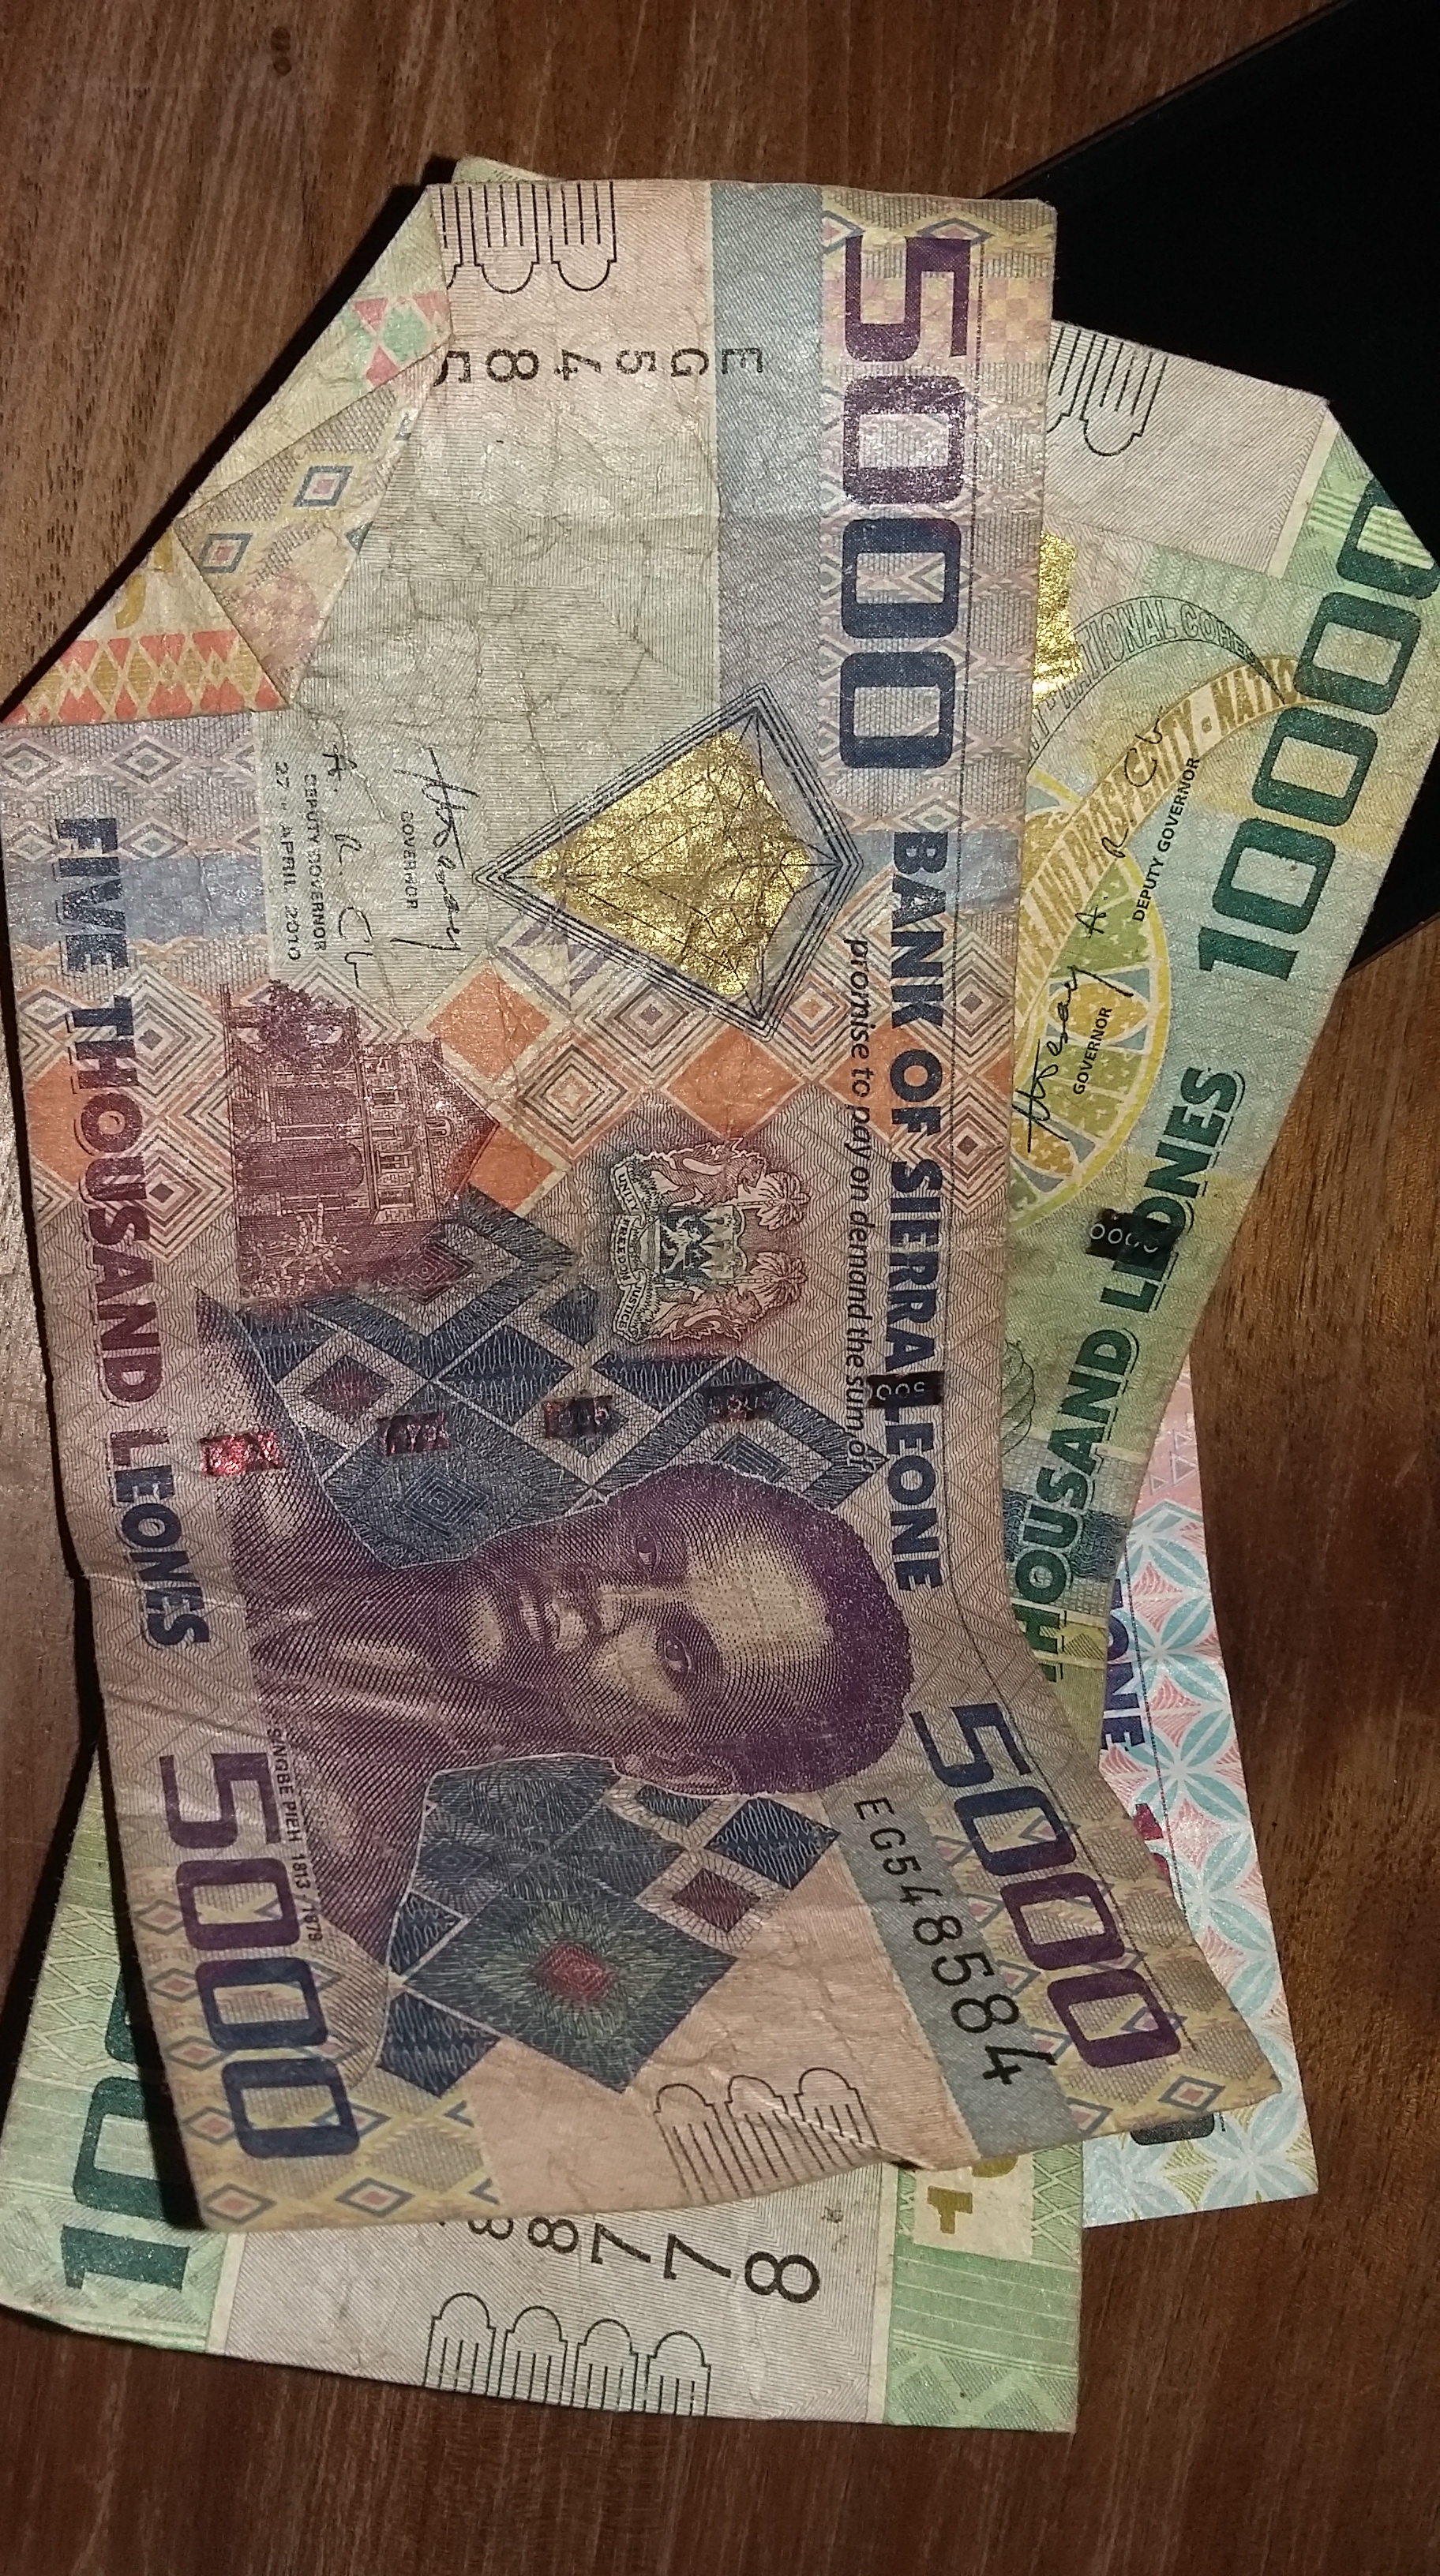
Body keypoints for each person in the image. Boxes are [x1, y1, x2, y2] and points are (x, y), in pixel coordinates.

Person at [204, 1312, 913, 1962]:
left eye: (677, 1653)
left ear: (675, 1766)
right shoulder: (230, 1425)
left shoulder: (322, 1895)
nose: (606, 1597)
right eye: (649, 1552)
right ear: (609, 1507)